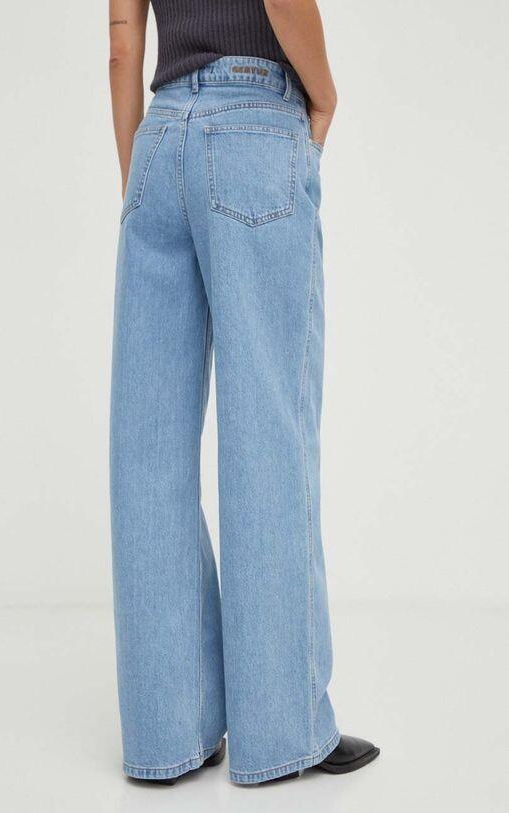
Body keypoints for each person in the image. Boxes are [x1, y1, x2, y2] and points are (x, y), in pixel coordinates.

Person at [109, 0, 379, 785]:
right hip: (255, 125)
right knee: (269, 435)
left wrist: (140, 182)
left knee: (147, 448)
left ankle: (166, 735)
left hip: (158, 138)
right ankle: (281, 731)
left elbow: (123, 46)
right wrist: (324, 95)